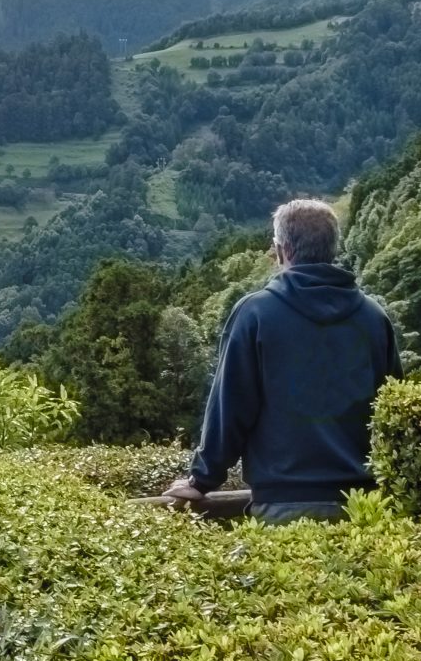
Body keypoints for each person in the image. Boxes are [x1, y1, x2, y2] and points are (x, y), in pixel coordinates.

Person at [164, 198, 401, 524]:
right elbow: (393, 414)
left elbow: (231, 406)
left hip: (283, 507)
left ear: (281, 251)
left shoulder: (256, 314)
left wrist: (202, 479)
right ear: (333, 248)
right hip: (365, 508)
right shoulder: (374, 318)